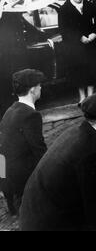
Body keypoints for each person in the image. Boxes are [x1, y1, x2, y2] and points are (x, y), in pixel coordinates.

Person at [19, 91, 96, 231]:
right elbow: (95, 205)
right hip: (50, 223)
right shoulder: (94, 150)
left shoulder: (78, 130)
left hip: (34, 212)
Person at [0, 69, 47, 215]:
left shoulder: (10, 110)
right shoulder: (31, 115)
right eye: (39, 85)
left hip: (8, 176)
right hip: (23, 179)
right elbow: (39, 149)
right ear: (33, 90)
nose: (41, 88)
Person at [58, 0, 96, 105]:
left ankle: (90, 95)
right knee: (78, 70)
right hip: (74, 46)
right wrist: (79, 37)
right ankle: (82, 97)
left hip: (90, 42)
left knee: (91, 69)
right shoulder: (64, 9)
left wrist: (94, 33)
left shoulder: (89, 5)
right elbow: (64, 29)